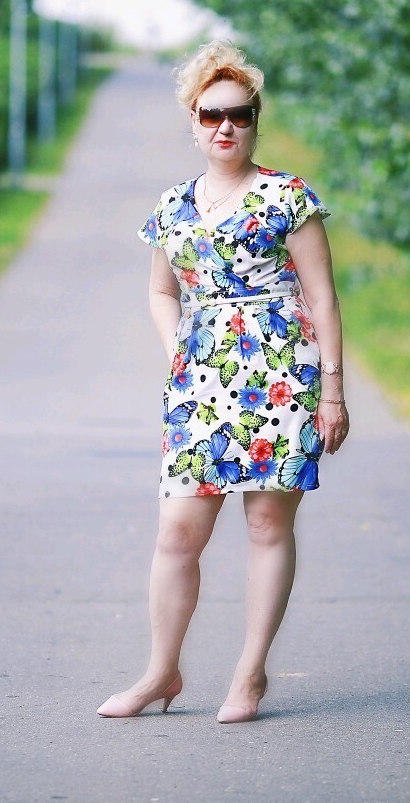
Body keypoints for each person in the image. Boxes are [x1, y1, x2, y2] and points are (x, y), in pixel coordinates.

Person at [97, 40, 349, 724]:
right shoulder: (173, 205)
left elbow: (323, 297)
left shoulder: (287, 196)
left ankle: (249, 674)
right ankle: (162, 672)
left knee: (266, 523)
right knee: (178, 533)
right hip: (199, 384)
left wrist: (332, 391)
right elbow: (161, 291)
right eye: (212, 115)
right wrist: (178, 350)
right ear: (193, 121)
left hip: (281, 376)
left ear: (256, 120)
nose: (226, 127)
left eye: (240, 114)